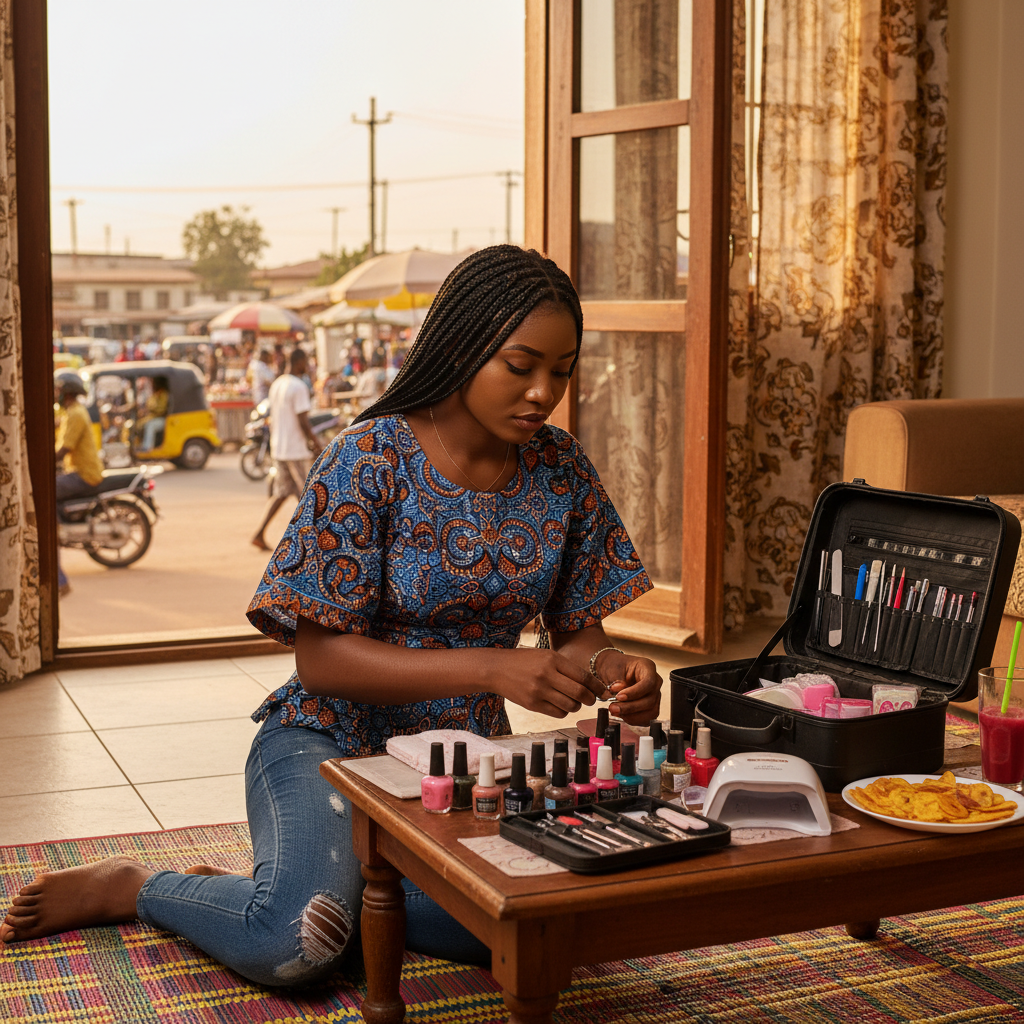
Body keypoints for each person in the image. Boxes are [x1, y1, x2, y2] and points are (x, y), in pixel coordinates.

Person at [0, 246, 662, 986]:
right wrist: (490, 665)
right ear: (463, 346)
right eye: (521, 364)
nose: (544, 392)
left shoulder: (561, 468)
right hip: (328, 739)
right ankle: (136, 886)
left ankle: (307, 886)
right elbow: (318, 661)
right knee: (302, 945)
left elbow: (579, 635)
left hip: (458, 768)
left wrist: (613, 670)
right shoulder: (367, 458)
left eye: (562, 370)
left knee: (552, 920)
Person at [250, 348, 323, 551]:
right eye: (306, 362)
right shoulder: (298, 386)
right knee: (309, 496)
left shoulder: (277, 383)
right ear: (300, 362)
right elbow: (303, 420)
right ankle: (312, 544)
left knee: (283, 493)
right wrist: (316, 445)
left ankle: (259, 532)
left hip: (279, 447)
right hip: (295, 449)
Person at [54, 372, 105, 597]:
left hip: (84, 474)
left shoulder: (75, 414)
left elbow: (64, 449)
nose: (55, 394)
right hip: (79, 471)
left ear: (66, 392)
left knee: (45, 498)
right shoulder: (71, 413)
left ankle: (59, 578)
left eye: (58, 390)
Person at [136, 376, 169, 452]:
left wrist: (151, 409)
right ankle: (139, 445)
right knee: (138, 424)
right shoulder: (154, 394)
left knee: (151, 425)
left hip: (163, 418)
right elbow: (149, 404)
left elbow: (161, 410)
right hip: (153, 417)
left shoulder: (164, 394)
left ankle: (147, 448)